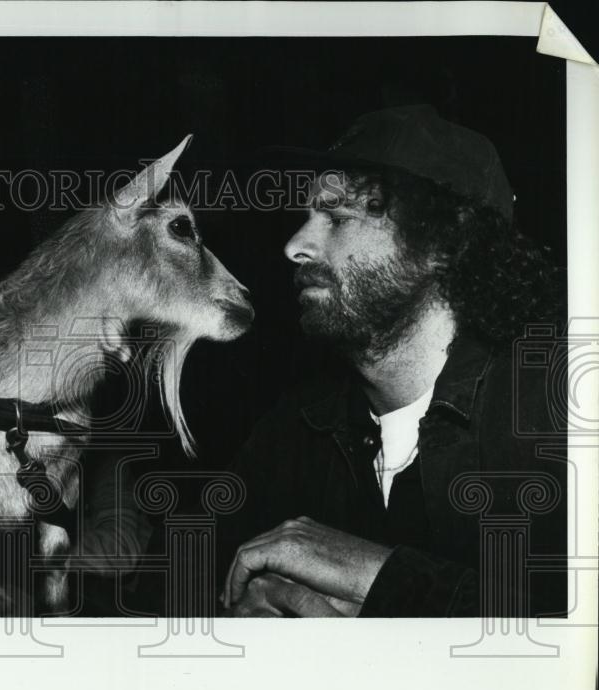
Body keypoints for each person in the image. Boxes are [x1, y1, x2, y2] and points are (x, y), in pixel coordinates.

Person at [219, 104, 567, 618]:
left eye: (337, 218)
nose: (295, 245)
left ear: (442, 245)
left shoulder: (555, 417)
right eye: (306, 217)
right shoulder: (289, 434)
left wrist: (380, 578)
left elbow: (577, 638)